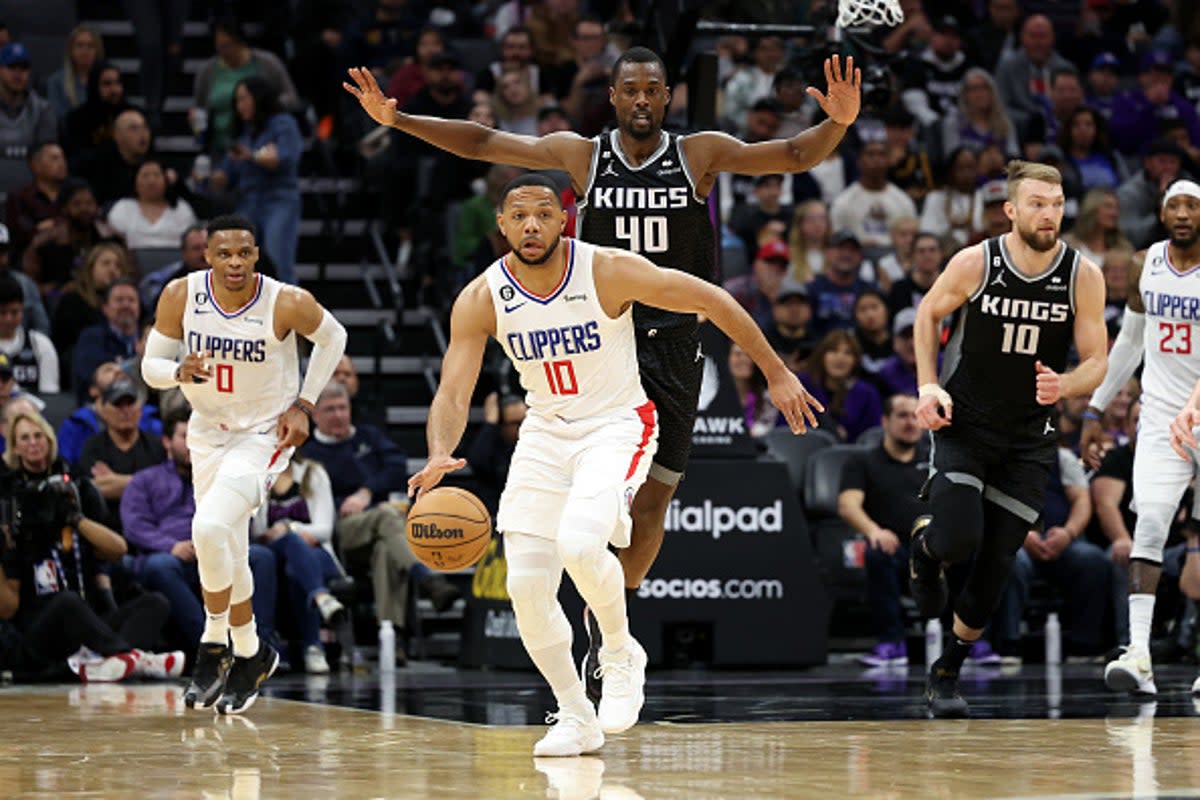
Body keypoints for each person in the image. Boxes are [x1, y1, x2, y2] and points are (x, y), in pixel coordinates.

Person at [345, 46, 859, 705]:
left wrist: (836, 125)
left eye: (653, 90)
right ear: (613, 97)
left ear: (667, 96)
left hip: (673, 342)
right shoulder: (582, 155)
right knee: (591, 501)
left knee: (654, 502)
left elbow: (789, 156)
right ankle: (599, 590)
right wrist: (399, 119)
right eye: (630, 90)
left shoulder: (697, 153)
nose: (642, 100)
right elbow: (481, 141)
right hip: (601, 331)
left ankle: (605, 617)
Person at [406, 173, 819, 757]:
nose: (531, 224)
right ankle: (575, 714)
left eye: (544, 213)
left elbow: (710, 297)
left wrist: (774, 370)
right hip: (545, 434)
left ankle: (620, 652)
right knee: (525, 585)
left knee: (580, 545)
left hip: (616, 425)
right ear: (500, 224)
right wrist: (439, 452)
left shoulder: (604, 269)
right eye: (518, 215)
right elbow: (452, 393)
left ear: (564, 218)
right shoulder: (480, 298)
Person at [910, 160, 1107, 717]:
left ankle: (948, 669)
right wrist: (927, 385)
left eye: (1057, 202)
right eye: (1038, 203)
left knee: (997, 565)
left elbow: (1098, 359)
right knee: (957, 541)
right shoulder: (977, 261)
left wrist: (1066, 384)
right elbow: (928, 314)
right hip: (964, 424)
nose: (1050, 213)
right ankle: (924, 551)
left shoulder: (1082, 274)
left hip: (1029, 436)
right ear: (1012, 210)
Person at [140, 214, 348, 714]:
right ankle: (252, 652)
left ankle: (214, 644)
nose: (235, 262)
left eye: (245, 253)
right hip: (208, 431)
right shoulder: (180, 296)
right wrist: (176, 370)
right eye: (224, 254)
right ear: (207, 255)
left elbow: (334, 337)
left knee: (210, 530)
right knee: (227, 544)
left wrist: (304, 403)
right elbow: (150, 368)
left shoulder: (285, 301)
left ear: (256, 254)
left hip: (263, 433)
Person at [1087, 180, 1200, 694]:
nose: (1182, 213)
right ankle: (1138, 653)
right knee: (1150, 523)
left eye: (1192, 206)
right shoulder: (1144, 263)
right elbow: (1130, 343)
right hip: (1159, 416)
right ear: (1160, 211)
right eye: (1174, 205)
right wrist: (1095, 405)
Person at [0, 410, 183, 683]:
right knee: (66, 602)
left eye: (38, 435)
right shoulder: (10, 502)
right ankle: (131, 657)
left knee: (155, 603)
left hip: (89, 621)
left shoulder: (76, 487)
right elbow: (8, 609)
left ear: (49, 440)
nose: (33, 443)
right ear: (14, 447)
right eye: (24, 438)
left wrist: (75, 519)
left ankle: (105, 664)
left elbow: (118, 548)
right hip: (42, 628)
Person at [122, 415, 278, 655]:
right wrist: (172, 546)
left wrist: (219, 543)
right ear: (166, 441)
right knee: (159, 566)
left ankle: (257, 647)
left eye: (199, 436)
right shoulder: (145, 480)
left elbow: (241, 517)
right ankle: (212, 649)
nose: (193, 443)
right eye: (185, 436)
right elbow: (134, 525)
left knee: (261, 557)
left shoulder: (223, 477)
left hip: (218, 552)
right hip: (172, 557)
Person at [838, 394, 929, 666]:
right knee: (878, 553)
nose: (910, 423)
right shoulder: (862, 462)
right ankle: (892, 643)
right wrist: (874, 531)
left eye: (916, 416)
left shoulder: (936, 462)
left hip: (934, 549)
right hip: (896, 551)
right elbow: (847, 505)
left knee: (973, 551)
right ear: (885, 421)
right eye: (902, 415)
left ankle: (972, 642)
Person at [210, 77, 303, 285]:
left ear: (258, 98)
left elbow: (283, 159)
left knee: (277, 258)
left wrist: (251, 156)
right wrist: (214, 177)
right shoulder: (244, 132)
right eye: (237, 101)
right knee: (243, 260)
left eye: (243, 99)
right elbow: (228, 173)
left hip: (278, 198)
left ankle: (290, 313)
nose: (239, 106)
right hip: (248, 200)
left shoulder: (283, 124)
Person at [105, 158, 199, 250]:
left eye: (157, 175)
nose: (152, 181)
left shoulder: (182, 209)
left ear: (166, 180)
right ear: (135, 181)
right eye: (145, 176)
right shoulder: (122, 208)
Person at [0, 273, 57, 394]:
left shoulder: (41, 345)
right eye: (2, 313)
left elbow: (50, 397)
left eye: (14, 312)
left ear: (23, 310)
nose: (8, 319)